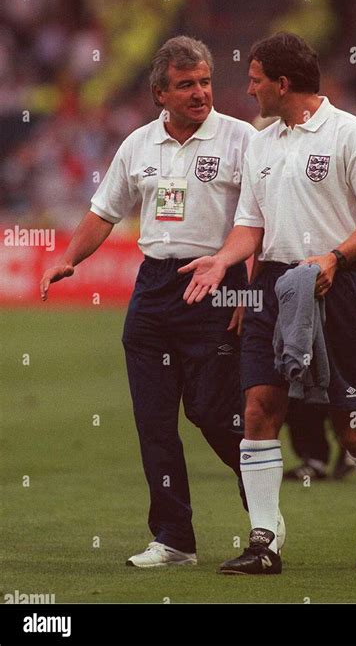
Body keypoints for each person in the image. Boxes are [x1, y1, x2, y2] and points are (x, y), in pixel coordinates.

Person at [40, 36, 288, 568]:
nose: (199, 93)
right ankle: (174, 540)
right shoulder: (137, 146)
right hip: (154, 288)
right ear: (160, 94)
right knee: (154, 422)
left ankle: (264, 516)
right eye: (186, 85)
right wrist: (70, 258)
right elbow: (104, 211)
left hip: (217, 284)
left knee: (214, 412)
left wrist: (247, 285)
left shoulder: (244, 140)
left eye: (204, 82)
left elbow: (265, 220)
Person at [180, 32, 356, 575]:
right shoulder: (262, 141)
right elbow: (250, 225)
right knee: (259, 406)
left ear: (282, 84)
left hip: (338, 282)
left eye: (255, 78)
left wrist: (332, 259)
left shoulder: (351, 135)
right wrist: (222, 261)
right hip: (272, 286)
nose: (248, 87)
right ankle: (264, 541)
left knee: (350, 424)